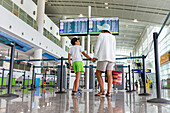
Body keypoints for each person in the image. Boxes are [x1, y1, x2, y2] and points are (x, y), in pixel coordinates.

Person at [92, 23, 116, 97]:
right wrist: (114, 59)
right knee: (109, 74)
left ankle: (102, 90)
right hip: (111, 58)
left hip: (103, 57)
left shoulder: (101, 35)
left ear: (103, 29)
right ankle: (108, 92)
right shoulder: (113, 37)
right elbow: (114, 48)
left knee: (98, 73)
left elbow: (97, 46)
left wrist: (95, 56)